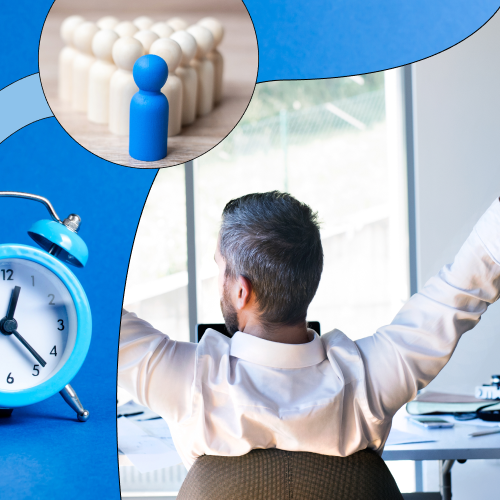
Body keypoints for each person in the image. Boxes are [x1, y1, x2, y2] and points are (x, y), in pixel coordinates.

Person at [119, 191, 500, 468]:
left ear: (240, 290)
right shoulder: (373, 379)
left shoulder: (187, 382)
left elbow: (91, 317)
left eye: (219, 265)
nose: (216, 276)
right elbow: (462, 286)